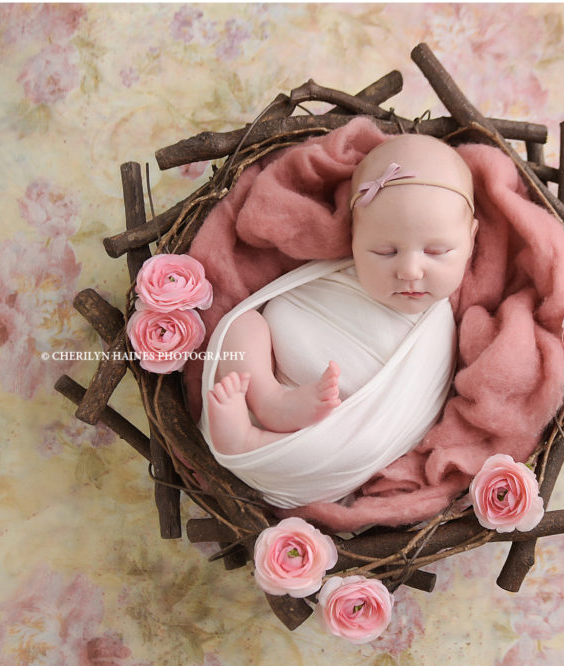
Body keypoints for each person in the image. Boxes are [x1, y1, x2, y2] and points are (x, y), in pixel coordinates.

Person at [200, 134, 478, 505]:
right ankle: (271, 400)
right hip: (258, 380)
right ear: (353, 237)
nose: (410, 270)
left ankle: (250, 443)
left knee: (367, 444)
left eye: (436, 251)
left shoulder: (440, 331)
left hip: (336, 426)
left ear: (471, 238)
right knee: (241, 324)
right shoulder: (339, 271)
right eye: (384, 251)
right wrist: (264, 390)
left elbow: (406, 419)